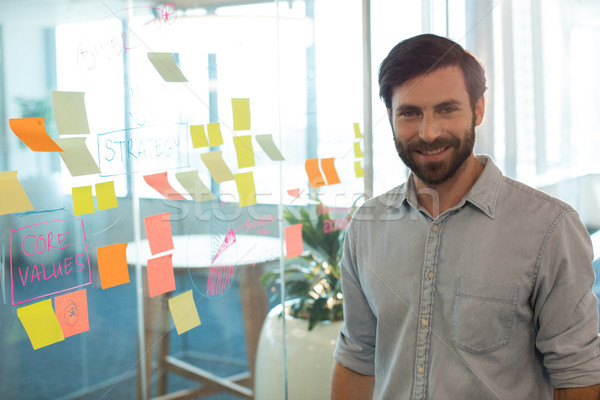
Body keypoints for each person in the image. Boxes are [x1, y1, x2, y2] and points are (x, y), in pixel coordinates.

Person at [331, 33, 600, 399]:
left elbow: (577, 375)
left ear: (478, 110)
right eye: (410, 113)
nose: (428, 132)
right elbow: (357, 357)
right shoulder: (366, 227)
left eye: (447, 109)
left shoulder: (549, 228)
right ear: (390, 118)